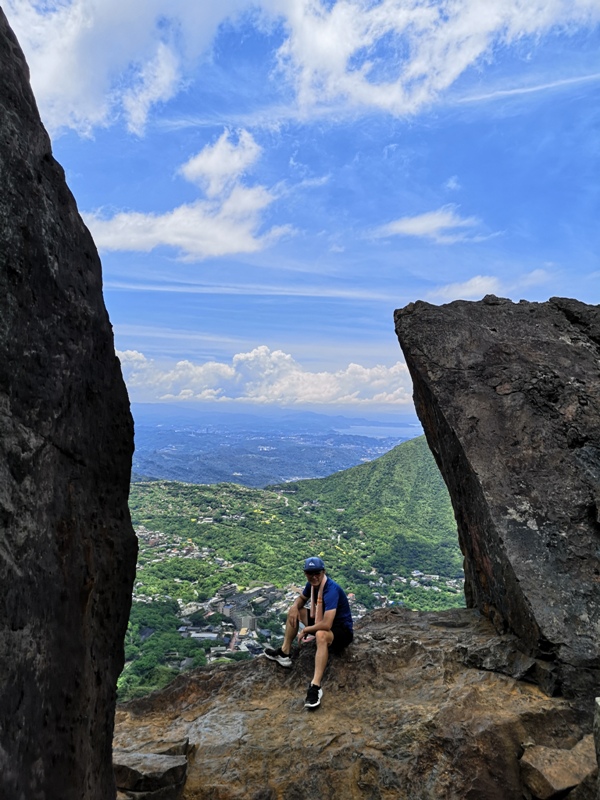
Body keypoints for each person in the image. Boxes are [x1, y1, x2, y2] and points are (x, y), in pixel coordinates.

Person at [264, 556, 354, 710]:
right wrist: (294, 606)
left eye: (317, 573)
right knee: (295, 612)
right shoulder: (312, 585)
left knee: (320, 635)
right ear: (305, 573)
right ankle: (285, 653)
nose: (313, 576)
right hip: (322, 621)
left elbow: (326, 624)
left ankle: (316, 686)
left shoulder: (331, 590)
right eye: (309, 573)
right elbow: (301, 599)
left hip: (341, 630)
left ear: (323, 572)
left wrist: (306, 630)